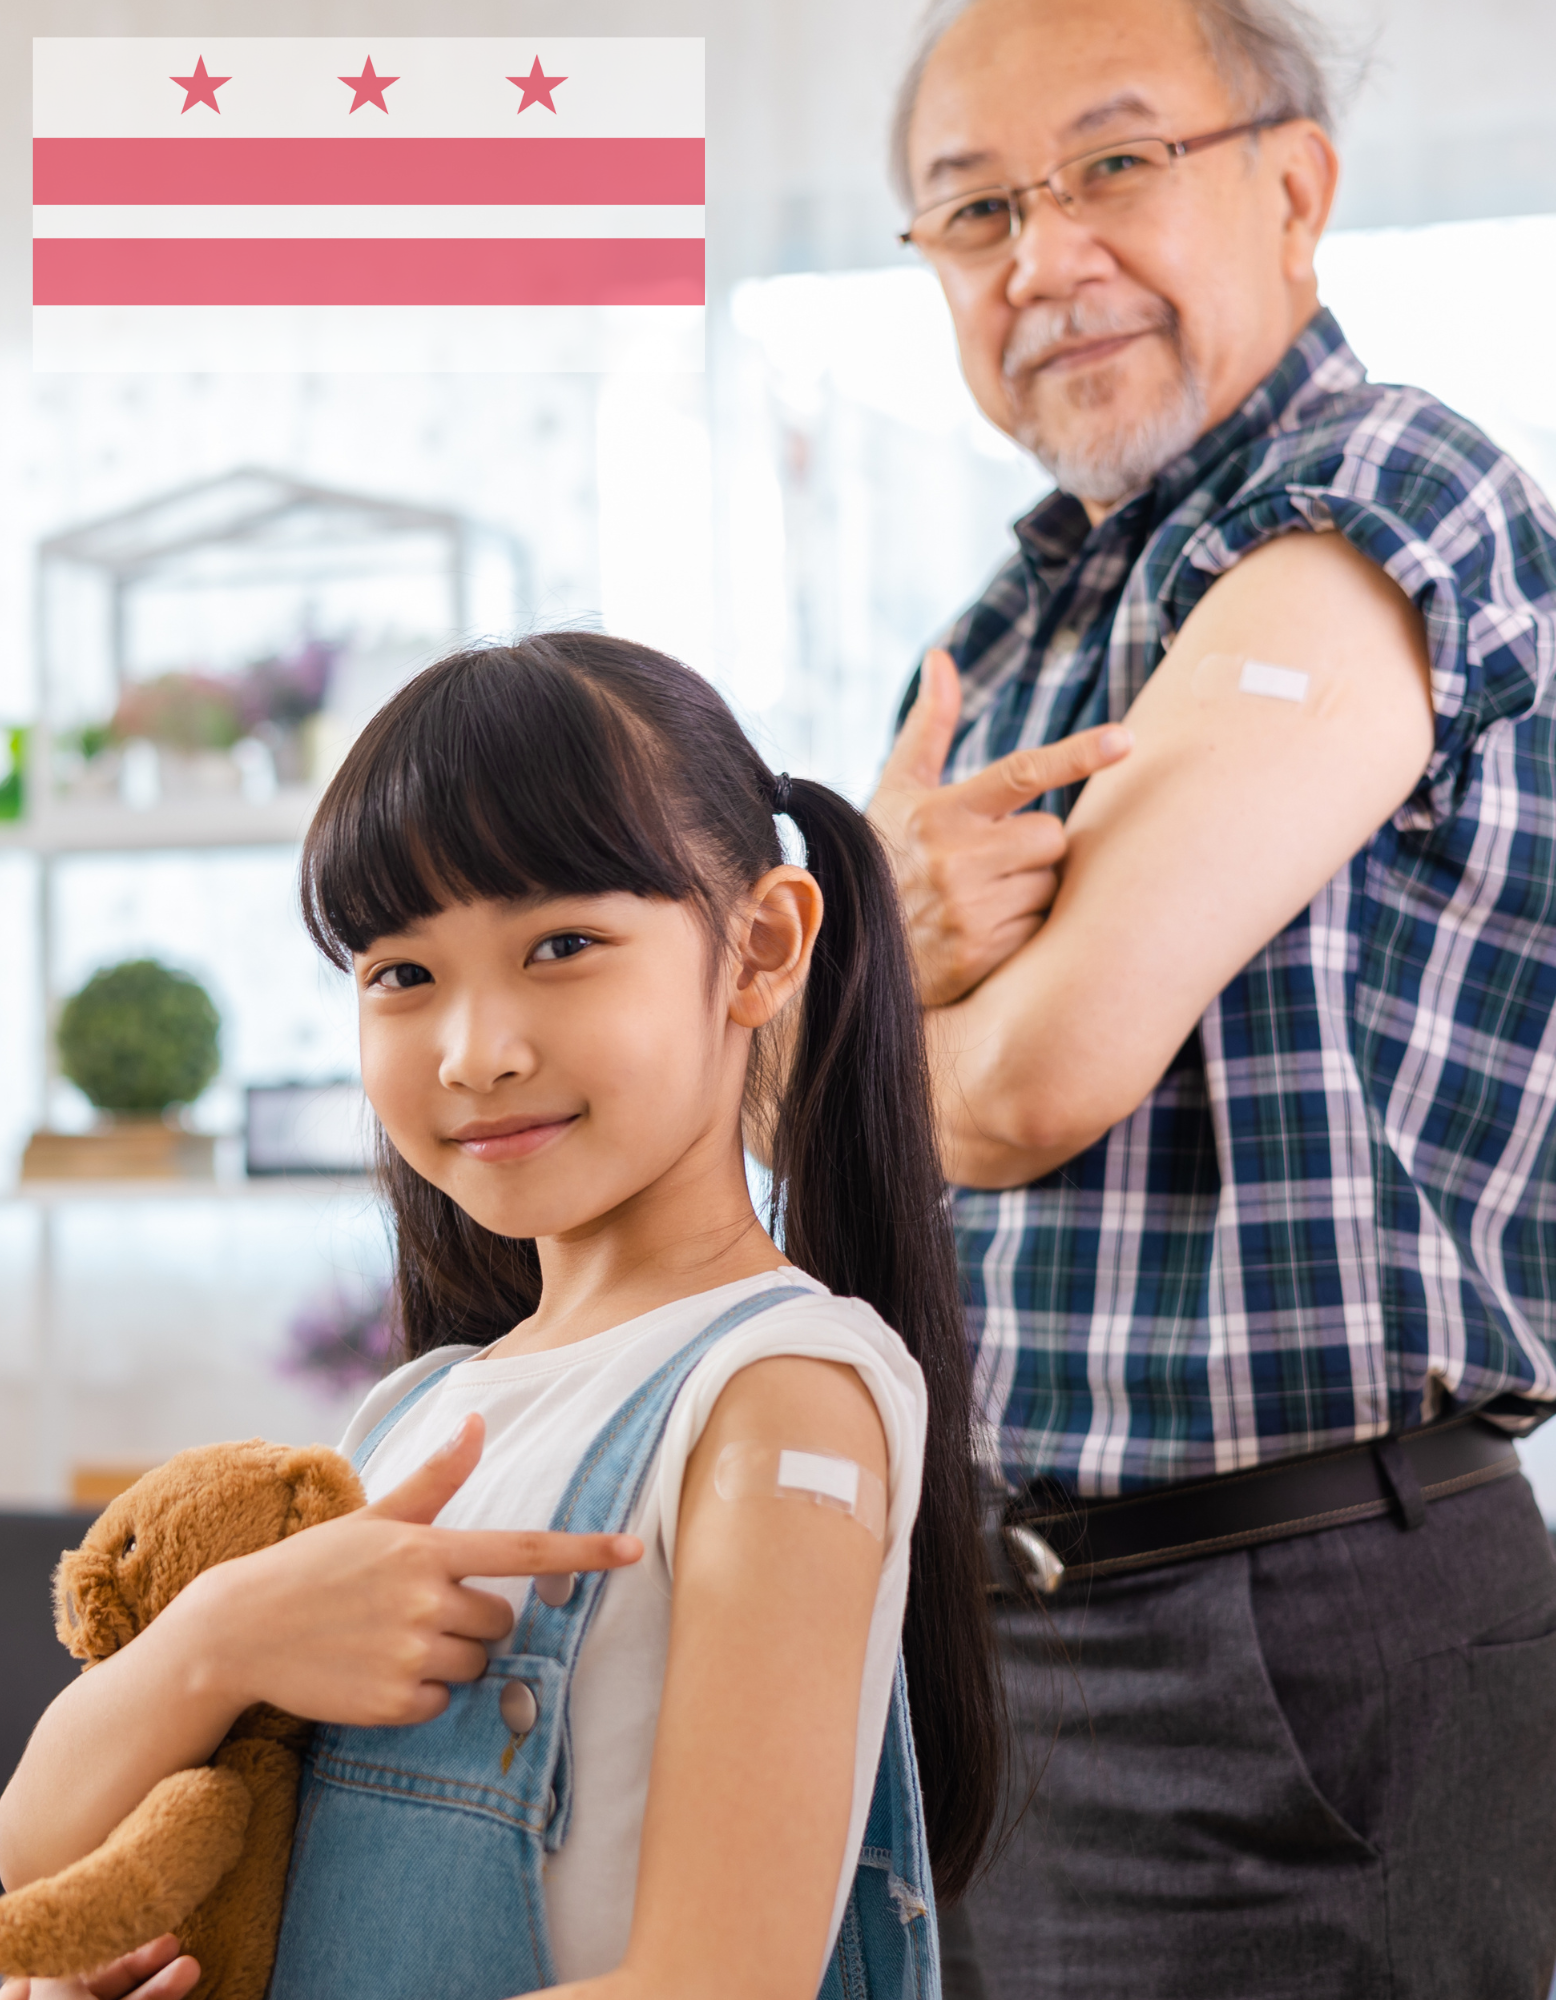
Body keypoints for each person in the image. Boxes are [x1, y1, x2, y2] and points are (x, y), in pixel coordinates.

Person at [867, 0, 1556, 1995]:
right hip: (1021, 1628)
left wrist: (840, 999)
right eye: (971, 208)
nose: (1040, 255)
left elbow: (1026, 1088)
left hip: (1286, 1630)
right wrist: (859, 997)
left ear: (1293, 186)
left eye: (1110, 165)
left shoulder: (1371, 497)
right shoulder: (1019, 615)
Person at [0, 635, 1000, 2000]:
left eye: (565, 945)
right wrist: (221, 1635)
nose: (476, 1049)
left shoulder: (779, 1392)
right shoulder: (416, 1409)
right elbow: (34, 1853)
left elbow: (715, 1982)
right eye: (401, 973)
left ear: (762, 948)